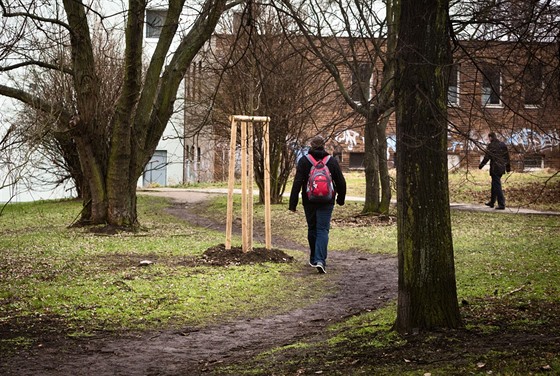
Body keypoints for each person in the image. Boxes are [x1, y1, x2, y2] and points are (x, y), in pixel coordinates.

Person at [289, 136, 346, 274]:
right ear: (323, 145)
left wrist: (293, 203)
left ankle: (314, 258)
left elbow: (297, 183)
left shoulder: (304, 161)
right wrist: (340, 199)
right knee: (323, 229)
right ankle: (320, 260)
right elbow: (341, 182)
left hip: (309, 201)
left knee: (312, 228)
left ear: (311, 145)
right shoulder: (331, 161)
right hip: (327, 201)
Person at [479, 132, 511, 210]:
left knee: (497, 185)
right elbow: (507, 156)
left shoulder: (491, 146)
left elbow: (487, 157)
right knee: (494, 185)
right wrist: (508, 168)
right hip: (501, 168)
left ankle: (501, 204)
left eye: (488, 138)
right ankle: (492, 202)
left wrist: (481, 165)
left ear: (490, 137)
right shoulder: (503, 144)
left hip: (495, 168)